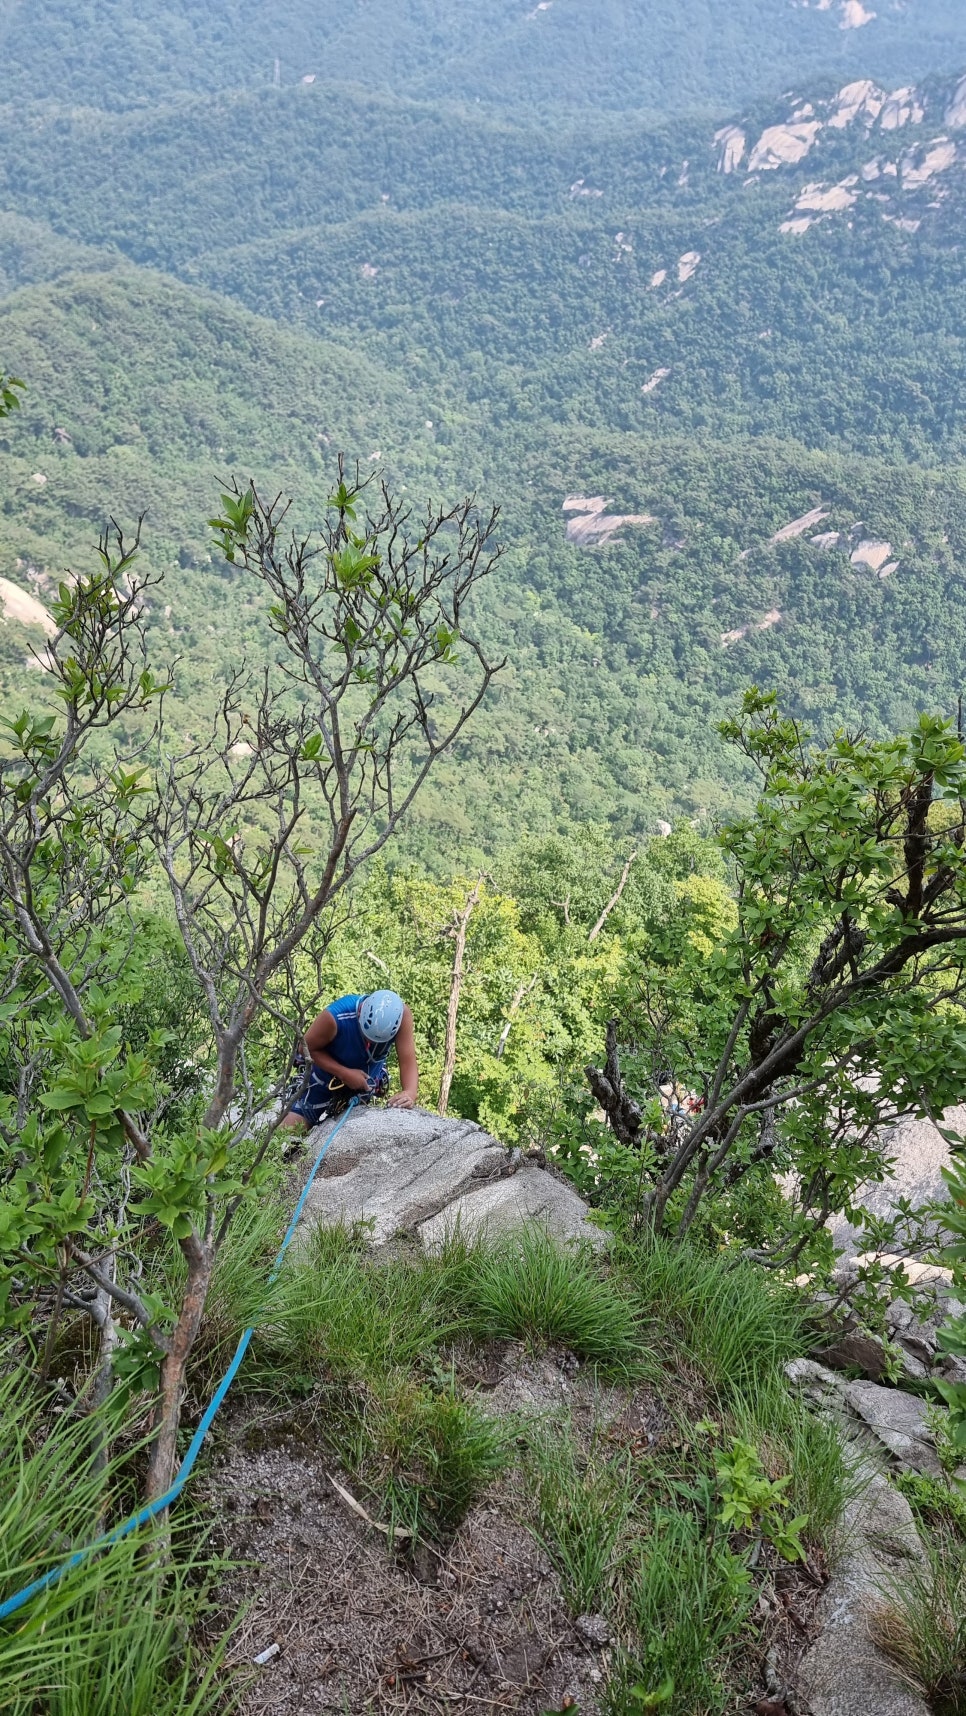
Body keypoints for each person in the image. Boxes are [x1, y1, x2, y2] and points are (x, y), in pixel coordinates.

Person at [280, 989, 419, 1132]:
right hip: (323, 1078)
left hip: (364, 1084)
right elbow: (305, 1049)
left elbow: (407, 1060)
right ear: (360, 1014)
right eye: (367, 1037)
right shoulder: (336, 1016)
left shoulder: (402, 1016)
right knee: (288, 1131)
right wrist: (344, 1073)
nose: (370, 1043)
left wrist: (410, 1092)